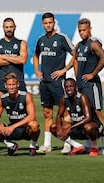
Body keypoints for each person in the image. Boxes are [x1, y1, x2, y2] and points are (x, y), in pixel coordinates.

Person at [32, 12, 74, 154]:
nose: (48, 25)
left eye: (50, 22)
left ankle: (68, 143)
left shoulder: (62, 38)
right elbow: (36, 55)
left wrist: (65, 69)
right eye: (45, 23)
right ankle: (47, 144)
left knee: (65, 112)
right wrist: (37, 71)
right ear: (42, 24)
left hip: (59, 83)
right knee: (46, 113)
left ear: (54, 23)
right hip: (45, 83)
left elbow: (76, 54)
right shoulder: (41, 39)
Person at [68, 18, 104, 154]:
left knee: (97, 113)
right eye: (79, 30)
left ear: (90, 28)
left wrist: (93, 73)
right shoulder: (79, 45)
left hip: (92, 86)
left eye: (84, 30)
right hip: (81, 85)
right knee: (86, 114)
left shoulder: (93, 44)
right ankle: (89, 143)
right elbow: (73, 60)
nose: (81, 33)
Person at [0, 72, 43, 156]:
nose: (11, 87)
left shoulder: (26, 96)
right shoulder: (3, 98)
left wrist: (12, 127)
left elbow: (31, 116)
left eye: (13, 84)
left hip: (26, 129)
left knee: (34, 125)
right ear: (5, 86)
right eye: (9, 85)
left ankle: (32, 147)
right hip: (12, 130)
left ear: (17, 85)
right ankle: (10, 145)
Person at [50, 78, 103, 156]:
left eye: (71, 86)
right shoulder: (64, 98)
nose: (69, 89)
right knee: (53, 127)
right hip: (78, 128)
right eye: (66, 87)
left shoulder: (82, 97)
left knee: (88, 127)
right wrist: (60, 129)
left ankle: (94, 147)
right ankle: (77, 146)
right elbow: (58, 116)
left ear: (76, 87)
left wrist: (70, 128)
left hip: (94, 128)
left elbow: (88, 118)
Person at [0, 17, 28, 114]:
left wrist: (3, 56)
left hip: (17, 80)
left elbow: (23, 60)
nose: (9, 29)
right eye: (6, 27)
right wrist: (15, 59)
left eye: (11, 27)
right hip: (0, 81)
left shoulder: (21, 43)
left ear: (15, 27)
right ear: (3, 28)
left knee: (22, 113)